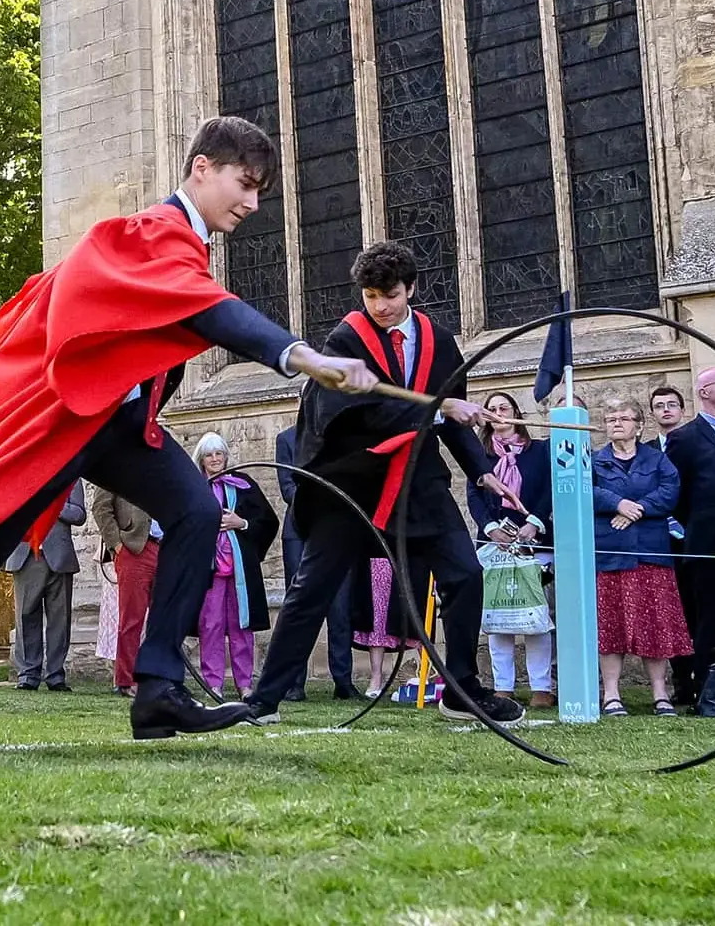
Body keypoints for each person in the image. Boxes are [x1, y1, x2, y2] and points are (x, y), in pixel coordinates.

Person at [0, 116, 373, 749]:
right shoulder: (151, 234)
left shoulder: (183, 248)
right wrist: (301, 357)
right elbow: (212, 311)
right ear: (202, 169)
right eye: (245, 184)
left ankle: (157, 691)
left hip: (118, 422)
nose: (252, 203)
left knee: (194, 511)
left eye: (260, 191)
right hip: (63, 418)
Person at [250, 241, 527, 726]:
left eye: (390, 295)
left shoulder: (439, 341)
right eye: (371, 295)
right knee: (312, 588)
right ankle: (263, 699)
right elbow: (355, 413)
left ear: (411, 289)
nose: (379, 306)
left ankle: (461, 690)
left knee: (464, 576)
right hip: (353, 483)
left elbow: (455, 418)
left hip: (419, 482)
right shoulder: (344, 342)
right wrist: (438, 406)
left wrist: (482, 471)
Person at [588, 399, 692, 717]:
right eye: (610, 419)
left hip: (650, 554)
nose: (616, 423)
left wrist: (638, 509)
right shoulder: (593, 461)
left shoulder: (658, 460)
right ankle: (612, 694)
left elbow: (670, 491)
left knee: (656, 625)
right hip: (611, 555)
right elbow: (583, 490)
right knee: (611, 626)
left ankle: (661, 693)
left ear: (638, 424)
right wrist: (616, 502)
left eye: (623, 418)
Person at [662, 366, 715, 705]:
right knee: (709, 621)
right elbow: (676, 494)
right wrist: (697, 527)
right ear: (704, 392)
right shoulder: (684, 438)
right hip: (707, 545)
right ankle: (708, 694)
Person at [472, 392, 554, 709]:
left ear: (516, 412)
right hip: (494, 544)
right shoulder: (480, 455)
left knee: (536, 617)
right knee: (498, 619)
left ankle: (542, 688)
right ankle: (502, 686)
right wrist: (491, 528)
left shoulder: (540, 451)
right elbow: (475, 493)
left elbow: (549, 488)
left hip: (535, 542)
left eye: (503, 407)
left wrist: (533, 522)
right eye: (491, 410)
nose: (498, 413)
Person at [270, 425, 355, 700]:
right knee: (299, 606)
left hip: (337, 532)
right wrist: (319, 508)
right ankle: (294, 684)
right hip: (299, 531)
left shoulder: (339, 437)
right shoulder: (285, 439)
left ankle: (344, 682)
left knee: (340, 609)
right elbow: (287, 487)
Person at [193, 434, 277, 698]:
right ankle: (214, 683)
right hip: (210, 572)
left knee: (242, 627)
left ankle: (244, 684)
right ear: (202, 460)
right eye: (209, 455)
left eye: (219, 454)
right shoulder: (195, 488)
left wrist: (242, 524)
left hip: (240, 570)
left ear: (226, 456)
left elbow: (268, 521)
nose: (215, 459)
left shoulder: (244, 485)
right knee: (211, 626)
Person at [5, 480, 85, 691]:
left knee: (60, 619)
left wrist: (51, 504)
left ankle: (55, 675)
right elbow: (4, 510)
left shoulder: (72, 476)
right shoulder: (19, 475)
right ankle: (28, 675)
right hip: (25, 554)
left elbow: (79, 515)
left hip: (59, 557)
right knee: (25, 616)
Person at [89, 484, 160, 696]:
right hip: (134, 548)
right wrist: (117, 545)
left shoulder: (161, 465)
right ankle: (126, 680)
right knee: (132, 618)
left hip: (165, 546)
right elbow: (101, 507)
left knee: (164, 618)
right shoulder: (116, 464)